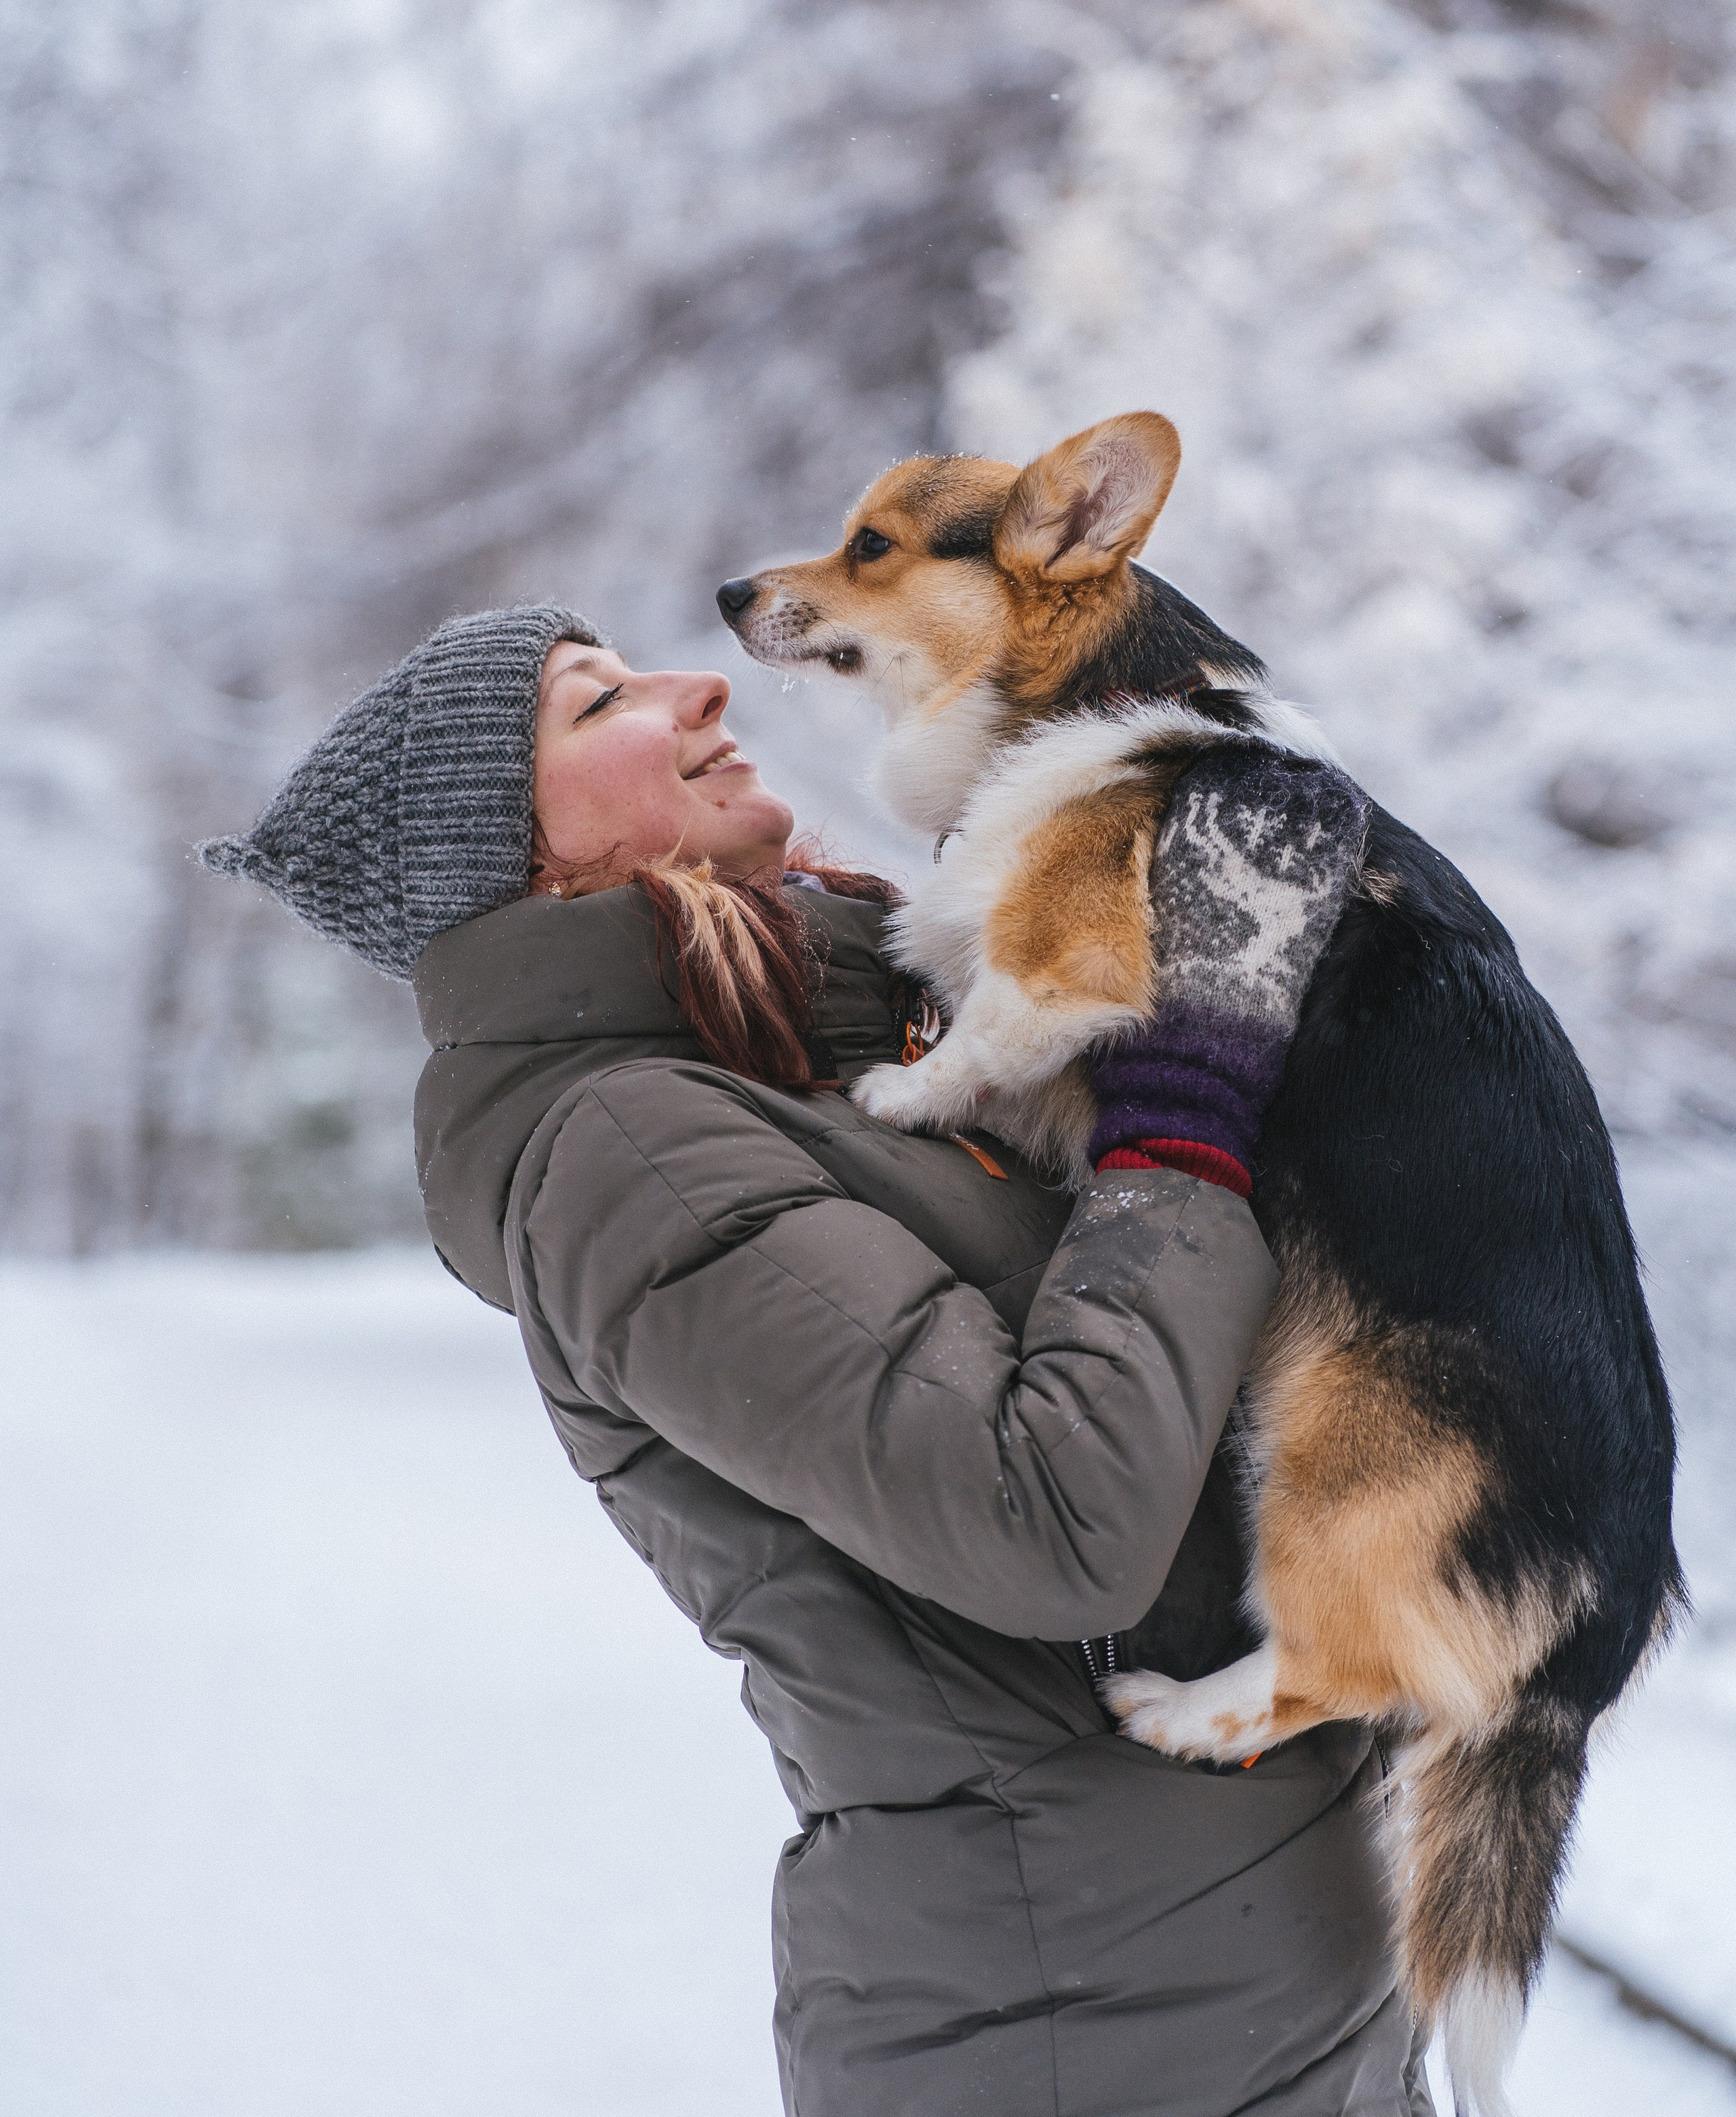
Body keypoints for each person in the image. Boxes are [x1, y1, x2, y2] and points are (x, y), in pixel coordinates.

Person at [201, 602, 1432, 2117]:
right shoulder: (625, 1150)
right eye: (598, 704)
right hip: (1078, 2031)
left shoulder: (836, 1055)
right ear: (525, 862)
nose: (699, 679)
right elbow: (1048, 1518)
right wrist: (1178, 1107)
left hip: (1248, 1985)